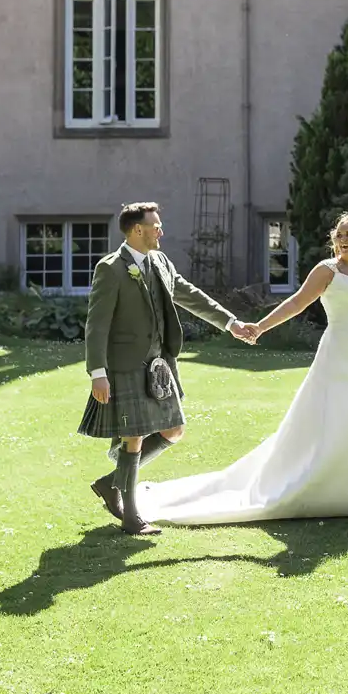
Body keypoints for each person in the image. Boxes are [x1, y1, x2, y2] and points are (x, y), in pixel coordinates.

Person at [138, 212, 348, 525]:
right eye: (338, 235)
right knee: (334, 419)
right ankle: (318, 482)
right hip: (341, 354)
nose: (342, 240)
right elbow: (297, 302)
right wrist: (260, 327)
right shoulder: (326, 270)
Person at [79, 201, 258, 536]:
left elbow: (189, 294)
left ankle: (111, 483)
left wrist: (231, 323)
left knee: (173, 431)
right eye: (156, 225)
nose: (161, 231)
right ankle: (132, 517)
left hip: (160, 366)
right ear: (137, 230)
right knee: (133, 439)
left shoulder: (160, 261)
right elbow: (96, 325)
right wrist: (97, 373)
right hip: (126, 366)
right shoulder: (112, 268)